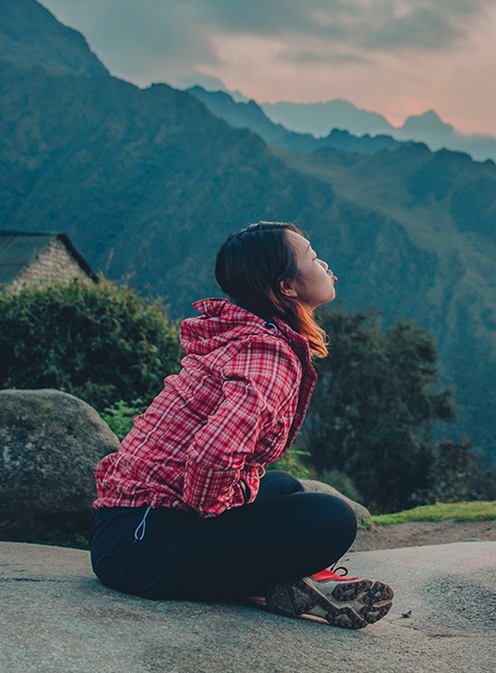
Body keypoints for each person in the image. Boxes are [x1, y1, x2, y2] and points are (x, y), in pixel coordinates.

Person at [89, 222, 394, 629]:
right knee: (333, 519)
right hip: (142, 549)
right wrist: (213, 516)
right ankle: (288, 580)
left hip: (127, 532)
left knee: (283, 487)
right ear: (287, 287)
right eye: (311, 256)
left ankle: (286, 583)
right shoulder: (268, 352)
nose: (323, 263)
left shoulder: (252, 334)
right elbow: (213, 452)